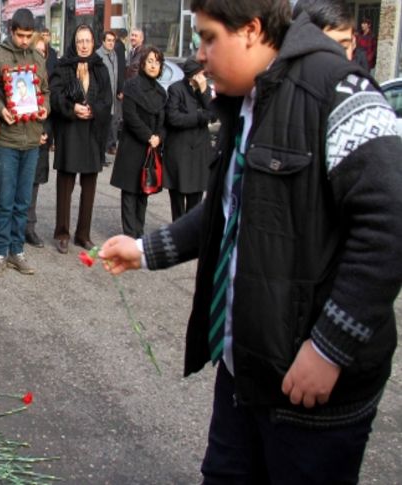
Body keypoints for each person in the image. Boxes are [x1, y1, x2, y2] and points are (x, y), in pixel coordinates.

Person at [99, 1, 402, 482]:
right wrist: (145, 250)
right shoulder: (248, 100)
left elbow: (389, 227)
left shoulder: (338, 90)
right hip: (246, 374)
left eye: (208, 38)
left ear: (252, 30)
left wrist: (329, 348)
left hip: (313, 400)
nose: (199, 55)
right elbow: (228, 210)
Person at [0, 8, 49, 278]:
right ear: (11, 31)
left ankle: (17, 250)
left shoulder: (38, 57)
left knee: (24, 200)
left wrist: (45, 107)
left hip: (32, 138)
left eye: (28, 36)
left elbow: (44, 91)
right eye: (21, 36)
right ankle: (0, 252)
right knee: (5, 199)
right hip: (7, 141)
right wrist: (1, 110)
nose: (25, 41)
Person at [50, 24, 112, 254]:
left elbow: (107, 100)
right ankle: (62, 233)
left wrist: (93, 110)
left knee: (89, 186)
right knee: (65, 185)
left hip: (92, 134)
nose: (83, 45)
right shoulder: (63, 66)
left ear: (93, 42)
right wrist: (72, 107)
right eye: (79, 41)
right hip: (70, 131)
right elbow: (55, 97)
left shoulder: (100, 68)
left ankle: (83, 234)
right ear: (74, 43)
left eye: (87, 41)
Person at [111, 45, 165, 238]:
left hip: (151, 148)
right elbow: (130, 115)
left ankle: (139, 231)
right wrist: (148, 135)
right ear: (142, 63)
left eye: (157, 62)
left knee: (144, 190)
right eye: (149, 61)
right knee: (130, 191)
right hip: (133, 144)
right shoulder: (132, 85)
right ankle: (129, 232)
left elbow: (163, 120)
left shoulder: (161, 92)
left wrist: (159, 136)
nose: (153, 65)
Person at [163, 57, 214, 221]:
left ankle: (191, 238)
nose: (203, 76)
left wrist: (204, 91)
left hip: (199, 151)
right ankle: (177, 234)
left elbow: (213, 114)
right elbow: (174, 118)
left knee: (196, 199)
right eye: (200, 73)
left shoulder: (204, 90)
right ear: (192, 74)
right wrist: (199, 117)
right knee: (177, 198)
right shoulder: (176, 89)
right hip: (180, 151)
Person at [25, 31, 54, 249]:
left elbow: (49, 107)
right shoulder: (21, 73)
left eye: (44, 52)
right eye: (37, 51)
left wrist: (45, 133)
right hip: (21, 136)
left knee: (34, 184)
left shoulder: (48, 75)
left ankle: (29, 228)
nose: (40, 55)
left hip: (41, 136)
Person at [96, 30, 123, 158]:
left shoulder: (114, 55)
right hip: (101, 99)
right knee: (100, 128)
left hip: (112, 98)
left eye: (113, 41)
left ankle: (103, 154)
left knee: (109, 127)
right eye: (109, 40)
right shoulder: (98, 56)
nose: (111, 43)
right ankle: (99, 155)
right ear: (103, 41)